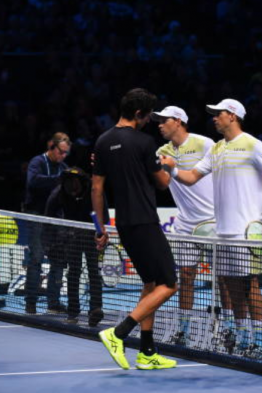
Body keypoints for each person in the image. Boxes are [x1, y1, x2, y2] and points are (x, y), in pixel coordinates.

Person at [162, 99, 262, 360]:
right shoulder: (217, 149)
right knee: (231, 287)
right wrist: (172, 170)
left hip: (246, 231)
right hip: (222, 232)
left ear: (232, 116)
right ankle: (243, 339)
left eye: (217, 114)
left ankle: (260, 342)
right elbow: (192, 177)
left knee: (250, 285)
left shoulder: (253, 144)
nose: (213, 118)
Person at [92, 88, 178, 370]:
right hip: (145, 222)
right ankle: (118, 333)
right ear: (138, 114)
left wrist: (101, 228)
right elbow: (162, 183)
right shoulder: (144, 142)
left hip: (124, 224)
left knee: (150, 284)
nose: (148, 122)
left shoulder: (103, 141)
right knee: (168, 285)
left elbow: (97, 187)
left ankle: (147, 351)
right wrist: (169, 165)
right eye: (146, 117)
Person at [153, 105, 235, 348]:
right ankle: (184, 330)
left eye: (163, 120)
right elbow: (162, 184)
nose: (159, 124)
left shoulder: (205, 143)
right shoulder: (161, 151)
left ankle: (229, 329)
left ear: (178, 121)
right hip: (185, 225)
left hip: (214, 221)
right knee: (186, 277)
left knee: (223, 279)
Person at [44, 166, 108, 327]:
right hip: (71, 237)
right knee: (73, 273)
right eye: (69, 185)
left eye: (75, 186)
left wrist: (100, 233)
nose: (72, 189)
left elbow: (104, 215)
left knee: (94, 273)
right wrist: (52, 242)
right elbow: (48, 218)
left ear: (81, 183)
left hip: (91, 235)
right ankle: (73, 312)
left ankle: (95, 310)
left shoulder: (93, 191)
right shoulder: (59, 193)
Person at [23, 132, 71, 315]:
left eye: (66, 153)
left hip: (55, 220)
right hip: (36, 216)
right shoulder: (38, 162)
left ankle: (54, 302)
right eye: (61, 152)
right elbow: (33, 182)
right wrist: (59, 181)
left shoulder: (63, 167)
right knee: (36, 259)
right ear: (51, 146)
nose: (63, 156)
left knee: (58, 260)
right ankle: (31, 303)